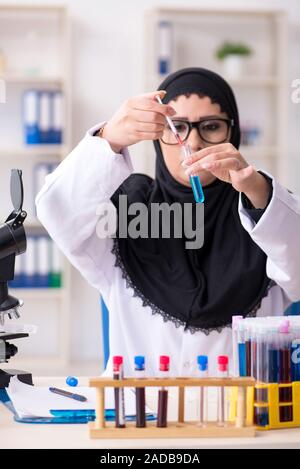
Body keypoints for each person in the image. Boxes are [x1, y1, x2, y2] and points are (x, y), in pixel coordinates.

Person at [36, 68, 300, 376]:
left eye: (212, 127)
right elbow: (56, 210)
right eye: (176, 127)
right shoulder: (127, 208)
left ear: (233, 133)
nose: (194, 142)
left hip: (241, 417)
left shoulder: (265, 209)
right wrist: (108, 139)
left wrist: (257, 190)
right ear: (156, 136)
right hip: (142, 414)